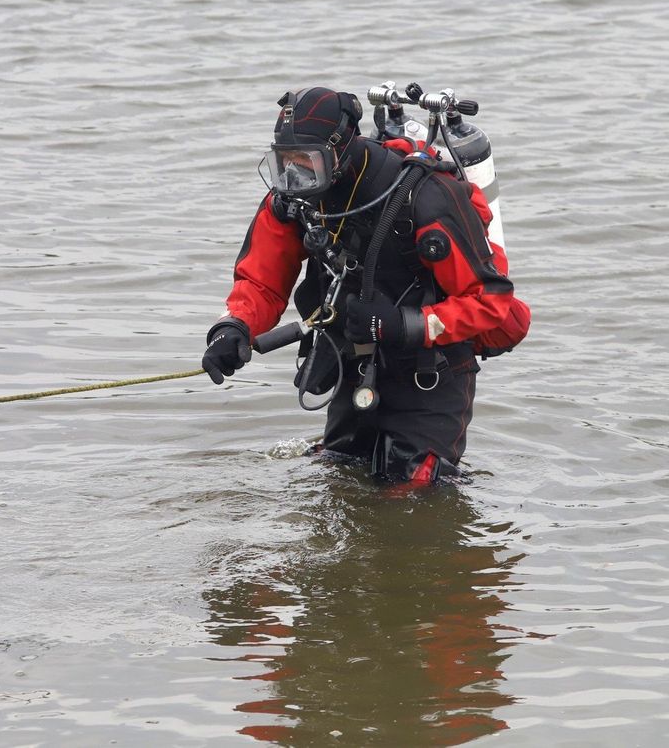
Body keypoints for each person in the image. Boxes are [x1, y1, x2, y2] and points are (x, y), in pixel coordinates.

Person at [202, 86, 530, 485]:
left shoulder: (423, 199)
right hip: (352, 362)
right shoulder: (295, 201)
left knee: (410, 493)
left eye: (306, 162)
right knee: (338, 479)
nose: (293, 176)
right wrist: (233, 327)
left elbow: (491, 301)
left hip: (431, 372)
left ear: (339, 150)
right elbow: (260, 280)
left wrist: (402, 325)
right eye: (283, 162)